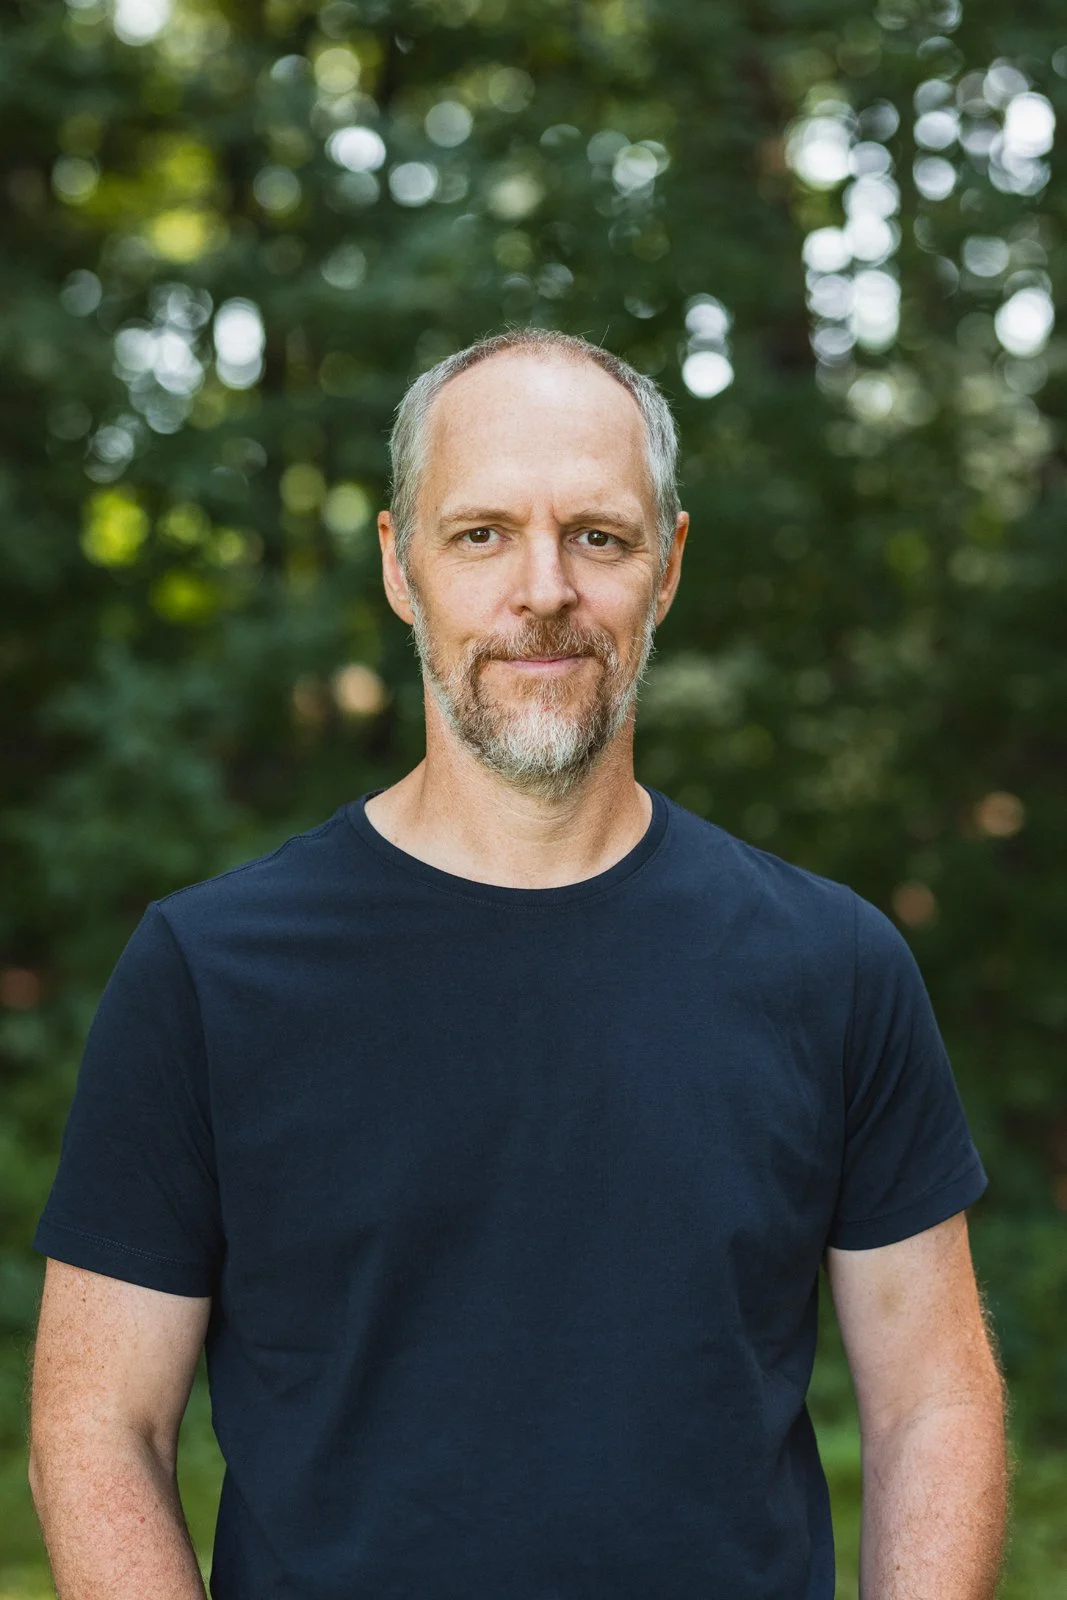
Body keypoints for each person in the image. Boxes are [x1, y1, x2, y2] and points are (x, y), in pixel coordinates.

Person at [28, 329, 1007, 1599]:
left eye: (596, 536)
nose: (542, 588)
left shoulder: (831, 965)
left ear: (665, 567)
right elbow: (97, 1428)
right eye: (480, 533)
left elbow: (933, 1398)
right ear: (399, 565)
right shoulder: (209, 973)